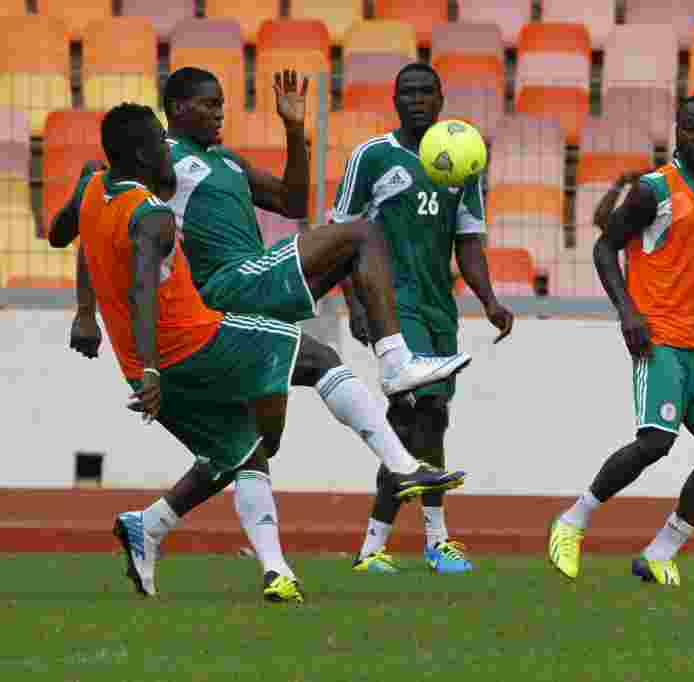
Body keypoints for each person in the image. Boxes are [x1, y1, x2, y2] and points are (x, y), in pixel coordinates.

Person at [55, 97, 471, 598]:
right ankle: (403, 462)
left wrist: (89, 314)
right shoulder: (151, 216)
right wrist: (150, 369)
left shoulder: (99, 187)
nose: (217, 112)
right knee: (321, 355)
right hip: (197, 339)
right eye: (208, 103)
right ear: (149, 155)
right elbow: (144, 286)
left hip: (146, 366)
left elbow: (66, 229)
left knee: (249, 449)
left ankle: (231, 556)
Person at [51, 67, 470, 397]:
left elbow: (292, 203)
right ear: (177, 108)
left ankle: (160, 513)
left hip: (252, 286)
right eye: (210, 104)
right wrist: (87, 313)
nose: (220, 113)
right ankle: (396, 361)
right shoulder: (158, 159)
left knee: (258, 442)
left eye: (222, 104)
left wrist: (293, 130)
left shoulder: (228, 161)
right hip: (221, 288)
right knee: (360, 233)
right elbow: (95, 222)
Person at [547, 95, 694, 586]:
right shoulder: (652, 191)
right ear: (677, 132)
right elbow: (604, 247)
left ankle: (660, 551)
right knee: (656, 442)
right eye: (691, 129)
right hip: (662, 340)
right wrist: (628, 313)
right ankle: (573, 521)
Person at [331, 63, 515, 575]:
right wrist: (355, 306)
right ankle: (435, 541)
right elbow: (339, 235)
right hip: (392, 303)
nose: (416, 99)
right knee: (423, 409)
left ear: (440, 99)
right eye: (406, 92)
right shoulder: (372, 157)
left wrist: (490, 300)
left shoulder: (462, 158)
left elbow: (469, 240)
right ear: (394, 99)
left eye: (425, 91)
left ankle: (373, 547)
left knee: (421, 420)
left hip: (438, 307)